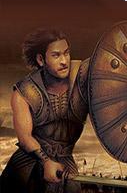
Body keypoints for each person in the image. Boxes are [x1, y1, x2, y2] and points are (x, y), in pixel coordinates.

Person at [1, 29, 87, 193]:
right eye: (56, 55)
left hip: (65, 161)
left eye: (66, 53)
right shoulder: (24, 91)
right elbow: (25, 137)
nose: (64, 61)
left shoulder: (81, 81)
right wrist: (46, 161)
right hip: (29, 164)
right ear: (41, 60)